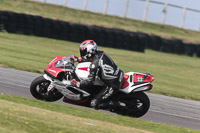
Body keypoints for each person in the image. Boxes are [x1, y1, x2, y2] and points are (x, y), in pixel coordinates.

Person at [70, 40, 124, 110]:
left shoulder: (95, 64)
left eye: (83, 52)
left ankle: (116, 104)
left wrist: (77, 84)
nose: (82, 53)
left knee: (94, 103)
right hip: (116, 74)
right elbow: (89, 58)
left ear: (89, 52)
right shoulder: (100, 53)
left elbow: (89, 81)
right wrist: (77, 59)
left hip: (113, 84)